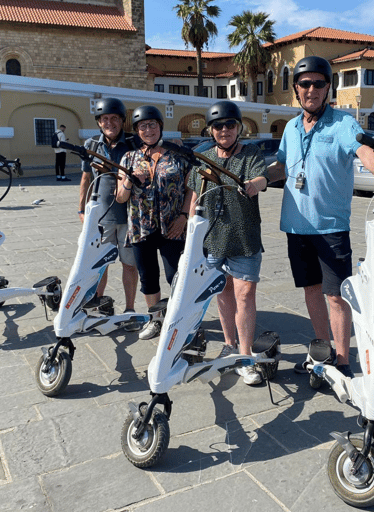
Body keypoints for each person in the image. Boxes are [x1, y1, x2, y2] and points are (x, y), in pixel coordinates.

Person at [266, 56, 374, 379]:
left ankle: (342, 360)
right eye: (304, 84)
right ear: (296, 90)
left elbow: (364, 152)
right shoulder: (290, 127)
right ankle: (321, 349)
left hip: (331, 227)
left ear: (328, 88)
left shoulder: (342, 124)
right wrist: (258, 177)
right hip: (296, 225)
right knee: (311, 290)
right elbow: (282, 166)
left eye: (318, 83)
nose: (311, 89)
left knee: (337, 296)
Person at [187, 101, 268, 385]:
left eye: (230, 125)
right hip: (213, 238)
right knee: (222, 292)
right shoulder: (203, 157)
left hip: (244, 237)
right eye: (218, 126)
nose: (224, 130)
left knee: (245, 295)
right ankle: (229, 343)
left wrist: (254, 185)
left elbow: (262, 177)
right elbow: (195, 196)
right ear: (211, 130)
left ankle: (245, 357)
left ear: (238, 127)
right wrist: (191, 232)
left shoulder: (250, 153)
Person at [116, 106, 192, 340]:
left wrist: (183, 216)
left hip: (173, 226)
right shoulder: (129, 157)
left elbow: (192, 188)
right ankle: (155, 318)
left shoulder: (178, 154)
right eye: (142, 126)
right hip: (141, 227)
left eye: (152, 125)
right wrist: (129, 180)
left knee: (176, 276)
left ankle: (183, 319)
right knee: (148, 276)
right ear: (137, 131)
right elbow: (120, 197)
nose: (148, 130)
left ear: (160, 127)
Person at [78, 99, 138, 316]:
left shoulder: (134, 143)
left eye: (114, 118)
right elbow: (86, 178)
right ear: (99, 122)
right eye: (105, 119)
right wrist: (82, 210)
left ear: (122, 120)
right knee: (100, 264)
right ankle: (98, 304)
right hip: (101, 217)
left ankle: (130, 308)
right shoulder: (91, 145)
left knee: (129, 265)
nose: (110, 123)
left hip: (130, 217)